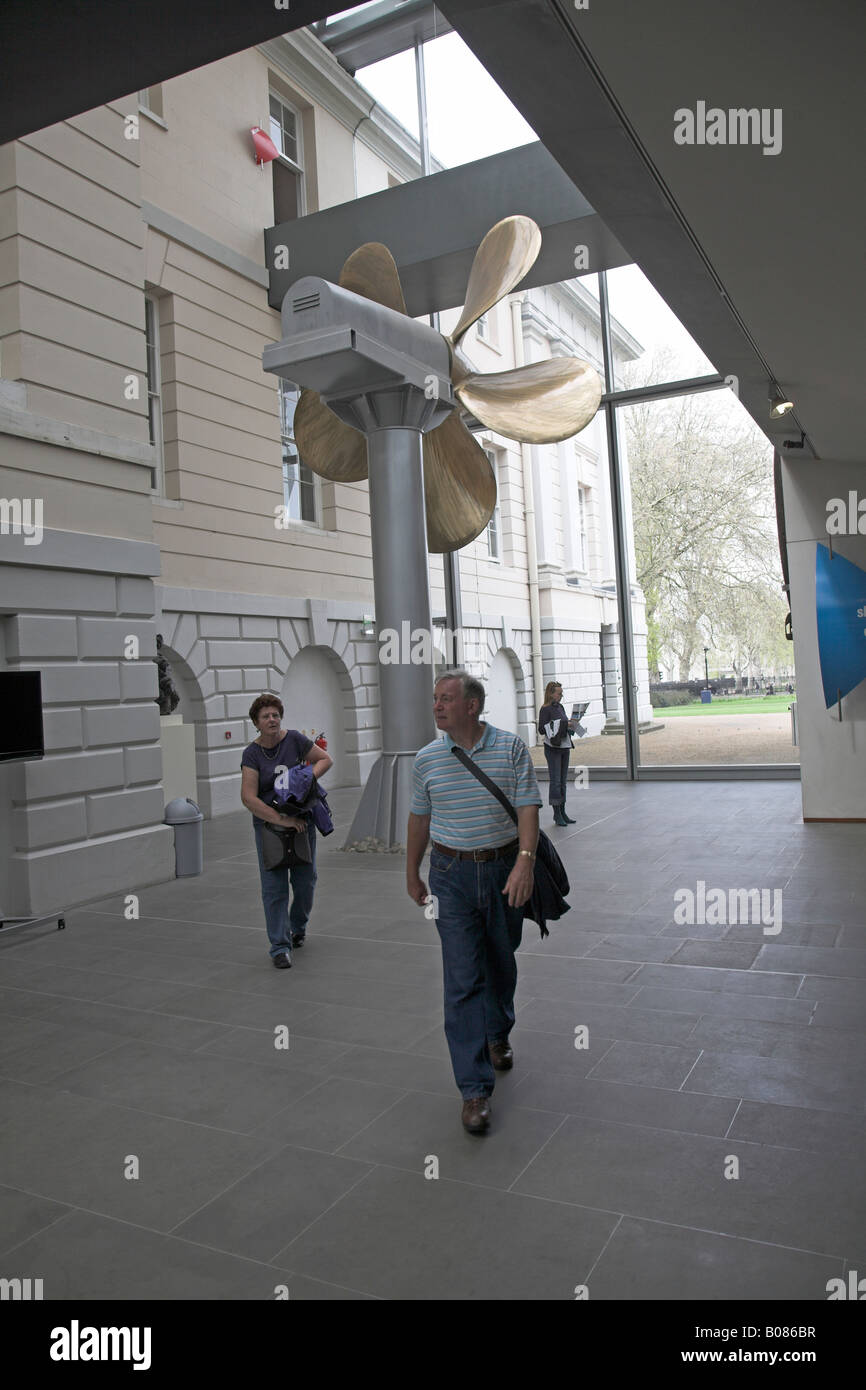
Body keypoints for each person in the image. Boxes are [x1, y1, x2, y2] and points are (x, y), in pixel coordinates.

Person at [406, 670, 541, 1135]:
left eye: (447, 699)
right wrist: (411, 871)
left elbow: (527, 807)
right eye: (435, 699)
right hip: (450, 877)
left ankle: (498, 1031)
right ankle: (474, 1089)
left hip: (505, 870)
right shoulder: (426, 760)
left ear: (472, 706)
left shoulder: (511, 748)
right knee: (462, 977)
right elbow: (419, 819)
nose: (438, 706)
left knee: (501, 961)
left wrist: (525, 861)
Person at [240, 693, 333, 968]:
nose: (272, 719)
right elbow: (249, 797)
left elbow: (325, 759)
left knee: (306, 881)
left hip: (301, 821)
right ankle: (279, 946)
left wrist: (305, 777)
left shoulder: (294, 739)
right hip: (270, 826)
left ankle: (297, 927)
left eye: (275, 715)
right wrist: (281, 820)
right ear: (256, 722)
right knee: (274, 887)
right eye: (266, 716)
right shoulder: (252, 753)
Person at [537, 680, 576, 826]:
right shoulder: (545, 709)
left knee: (563, 782)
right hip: (553, 748)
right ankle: (556, 814)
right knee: (556, 781)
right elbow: (542, 729)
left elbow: (563, 725)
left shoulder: (560, 707)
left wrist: (571, 725)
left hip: (564, 746)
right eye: (559, 693)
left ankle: (563, 811)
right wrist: (565, 724)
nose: (561, 695)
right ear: (551, 694)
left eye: (561, 693)